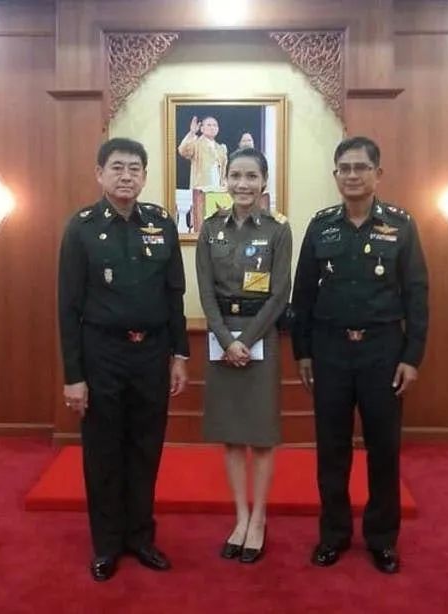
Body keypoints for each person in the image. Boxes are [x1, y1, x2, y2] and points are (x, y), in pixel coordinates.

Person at [291, 136, 428, 574]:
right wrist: (302, 352)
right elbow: (303, 294)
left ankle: (382, 538)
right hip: (330, 351)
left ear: (377, 174)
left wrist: (412, 356)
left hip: (383, 351)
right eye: (344, 169)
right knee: (331, 449)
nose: (352, 175)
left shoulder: (401, 225)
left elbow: (417, 294)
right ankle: (333, 534)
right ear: (335, 175)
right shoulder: (321, 226)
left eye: (360, 167)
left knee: (383, 448)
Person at [58, 137, 189, 582]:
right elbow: (68, 308)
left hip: (152, 353)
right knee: (103, 451)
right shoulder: (81, 228)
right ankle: (107, 543)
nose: (126, 176)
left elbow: (174, 295)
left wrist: (179, 354)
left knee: (145, 448)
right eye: (117, 167)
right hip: (102, 354)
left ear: (145, 176)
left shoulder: (161, 223)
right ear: (100, 173)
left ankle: (141, 537)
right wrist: (74, 376)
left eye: (135, 168)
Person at [195, 147, 292, 564]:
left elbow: (279, 294)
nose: (243, 184)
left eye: (251, 176)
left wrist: (246, 341)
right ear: (225, 179)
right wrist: (225, 338)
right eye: (235, 175)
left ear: (264, 181)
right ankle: (240, 517)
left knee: (261, 434)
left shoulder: (278, 229)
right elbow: (205, 291)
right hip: (221, 338)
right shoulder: (210, 228)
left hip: (260, 337)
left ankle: (259, 519)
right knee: (233, 435)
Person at [178, 115, 228, 191]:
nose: (212, 127)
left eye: (215, 125)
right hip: (201, 190)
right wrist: (192, 133)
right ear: (202, 129)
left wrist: (225, 184)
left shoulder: (221, 148)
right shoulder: (196, 143)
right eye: (209, 125)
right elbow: (183, 150)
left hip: (218, 190)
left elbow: (223, 173)